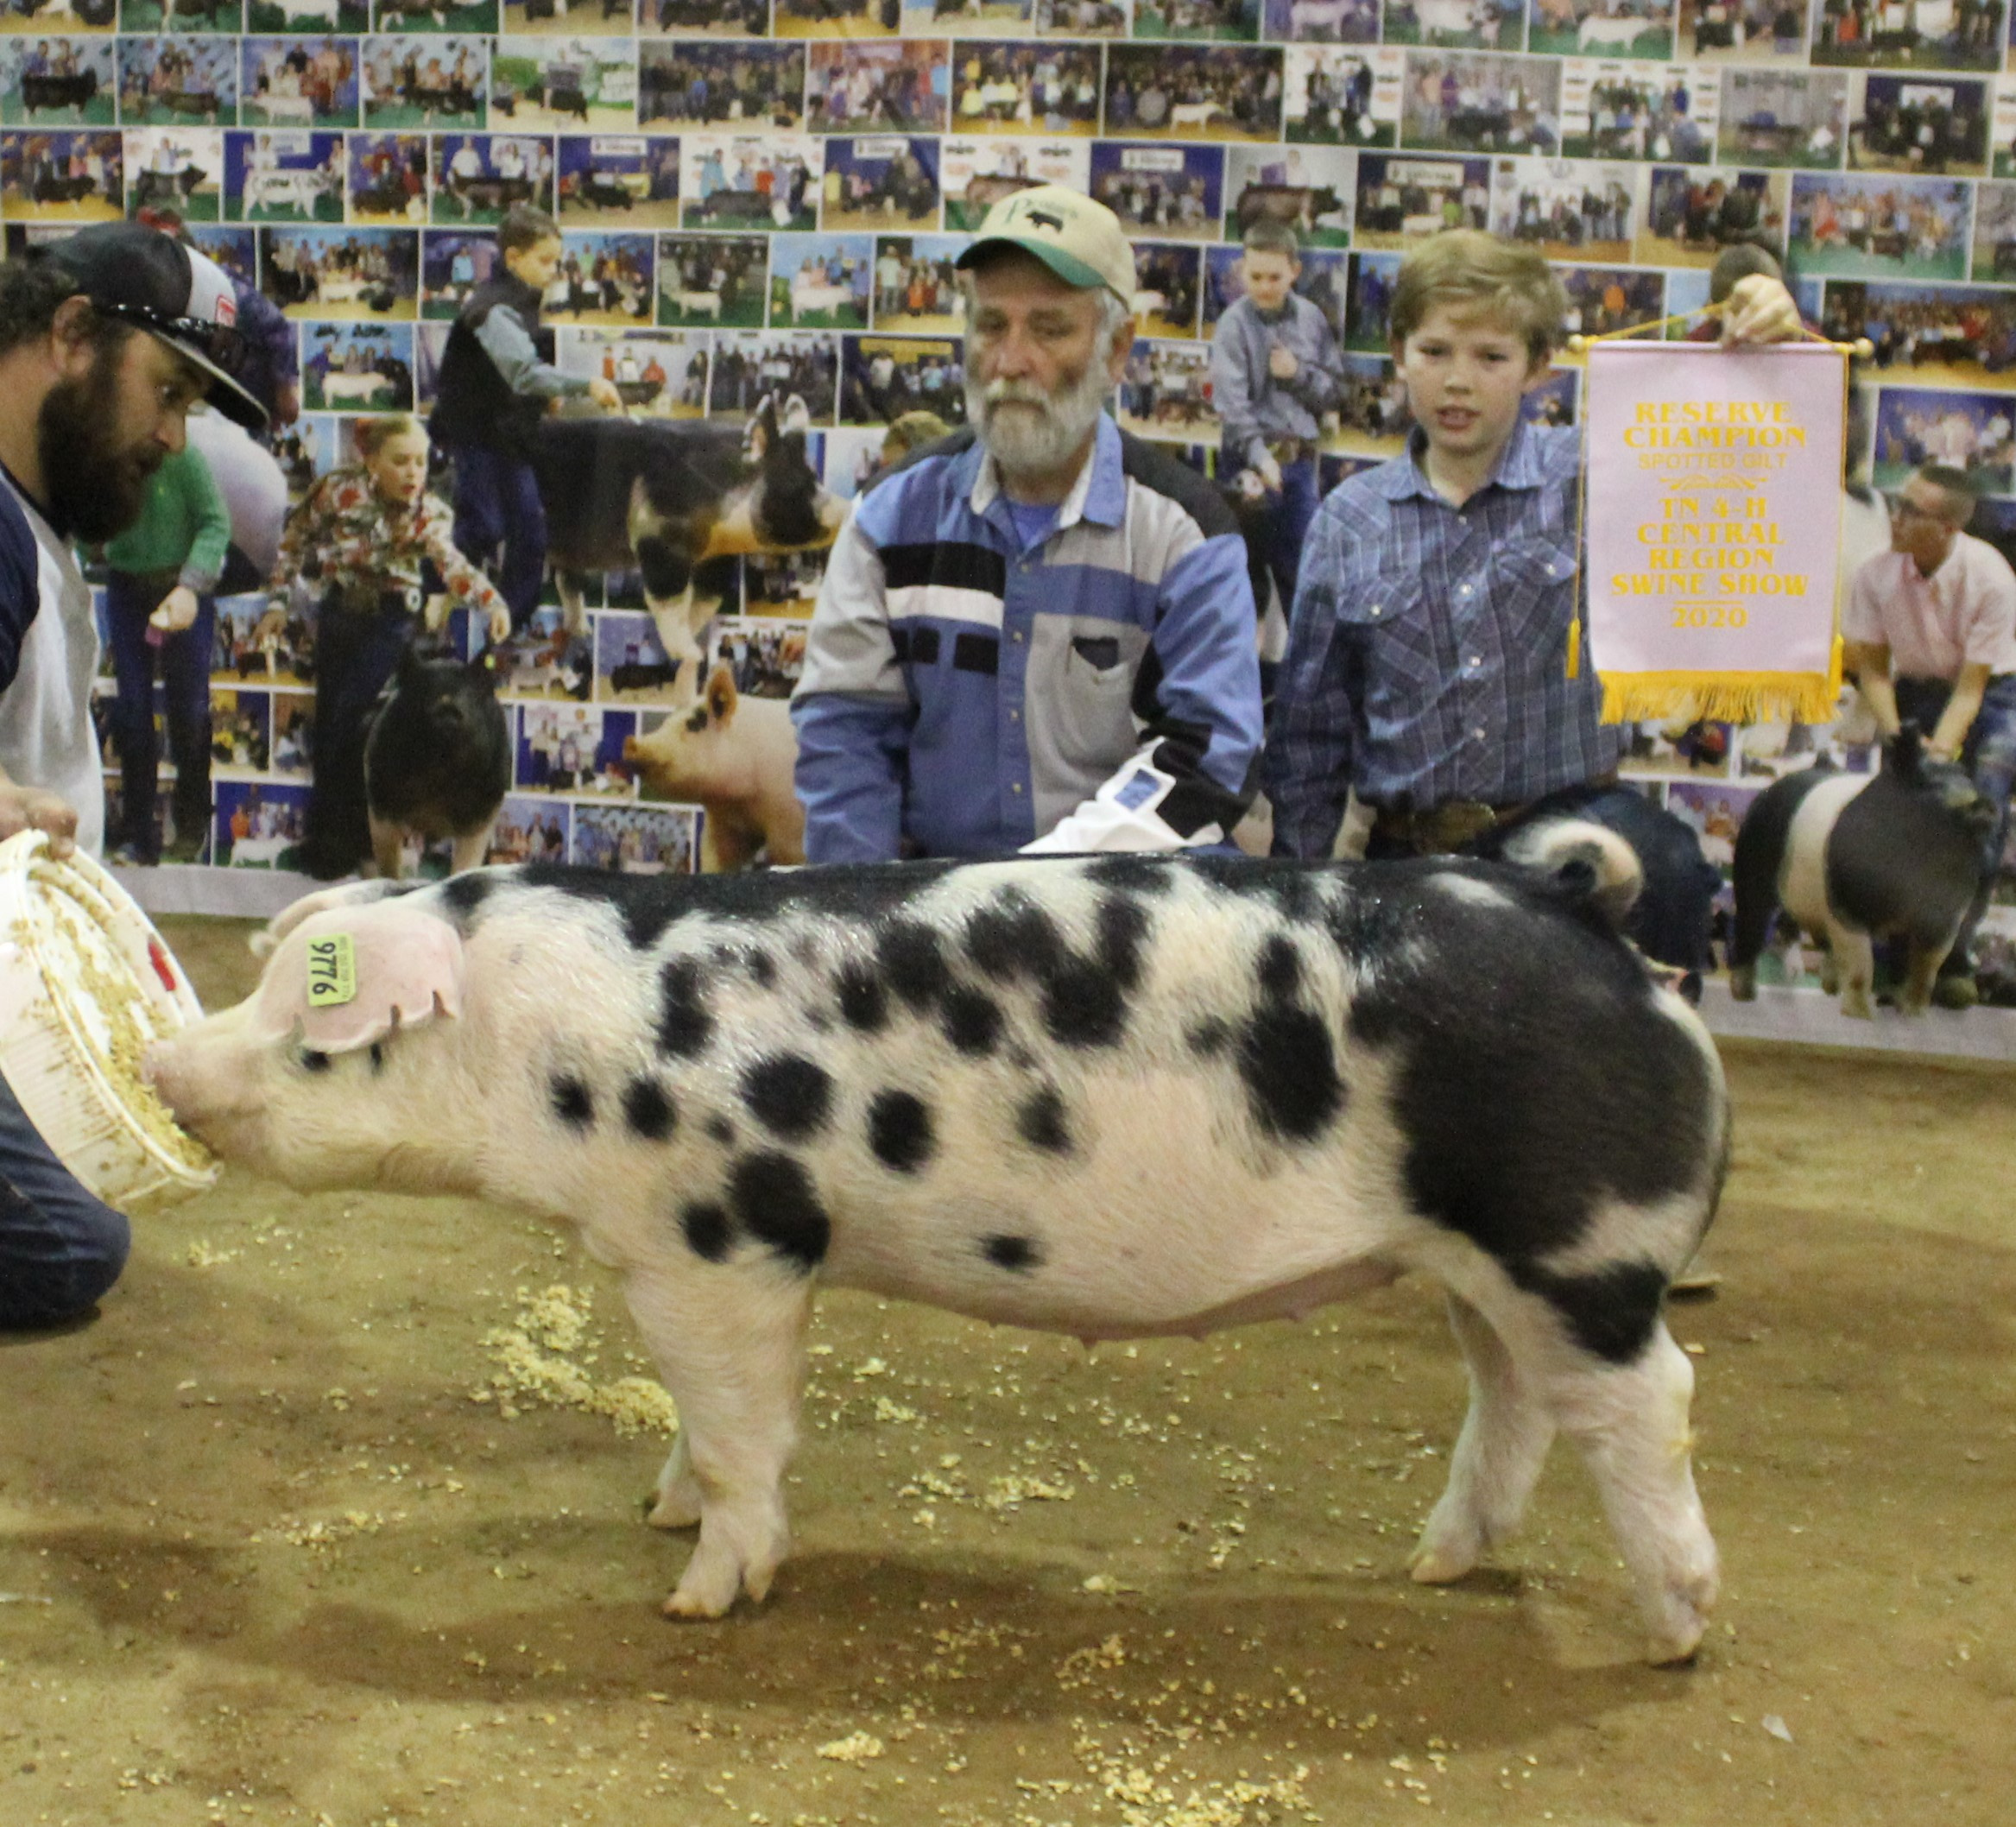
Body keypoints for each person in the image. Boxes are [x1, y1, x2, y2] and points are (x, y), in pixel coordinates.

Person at [1266, 228, 1802, 980]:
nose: (1458, 381)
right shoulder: (1346, 521)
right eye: (1435, 351)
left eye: (1491, 357)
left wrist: (1769, 326)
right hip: (1407, 853)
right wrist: (1297, 885)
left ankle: (1655, 1082)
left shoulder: (1593, 473)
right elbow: (1308, 735)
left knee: (1673, 870)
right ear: (1397, 352)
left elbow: (1729, 438)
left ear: (1538, 368)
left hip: (1568, 824)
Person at [792, 186, 1262, 861]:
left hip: (1130, 909)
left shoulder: (1184, 536)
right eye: (990, 326)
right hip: (934, 916)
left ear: (1117, 349)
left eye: (1048, 329)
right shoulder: (889, 519)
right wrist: (867, 920)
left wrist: (1035, 891)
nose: (1010, 361)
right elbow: (844, 736)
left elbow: (1209, 757)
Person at [0, 221, 264, 1331]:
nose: (170, 435)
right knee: (69, 1247)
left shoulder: (35, 524)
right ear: (72, 334)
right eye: (165, 392)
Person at [262, 414, 511, 881]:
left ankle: (367, 848)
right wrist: (279, 602)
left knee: (358, 725)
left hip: (393, 626)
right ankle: (328, 847)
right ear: (371, 460)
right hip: (340, 618)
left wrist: (490, 601)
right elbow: (292, 541)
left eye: (420, 462)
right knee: (332, 732)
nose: (413, 473)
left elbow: (451, 564)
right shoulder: (336, 492)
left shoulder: (431, 513)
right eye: (400, 461)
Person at [1842, 465, 2016, 1008]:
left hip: (1991, 698)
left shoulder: (1990, 577)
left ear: (1947, 528)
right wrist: (1899, 739)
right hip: (1915, 691)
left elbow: (1971, 691)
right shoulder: (1874, 575)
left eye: (1913, 510)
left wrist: (1938, 754)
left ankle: (1953, 960)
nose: (1896, 516)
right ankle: (1899, 967)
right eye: (1899, 503)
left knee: (1977, 820)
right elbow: (1871, 670)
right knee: (1902, 826)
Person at [428, 205, 621, 633]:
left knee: (531, 530)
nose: (555, 271)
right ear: (513, 258)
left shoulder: (520, 301)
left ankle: (511, 623)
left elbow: (516, 372)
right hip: (475, 435)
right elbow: (523, 371)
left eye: (557, 261)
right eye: (545, 261)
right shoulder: (491, 309)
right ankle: (433, 594)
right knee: (484, 525)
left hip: (509, 434)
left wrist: (542, 402)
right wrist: (584, 386)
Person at [100, 437, 231, 865]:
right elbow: (86, 522)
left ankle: (192, 825)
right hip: (127, 588)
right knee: (133, 712)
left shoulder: (185, 457)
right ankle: (142, 835)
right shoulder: (107, 455)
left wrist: (190, 585)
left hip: (183, 589)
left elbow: (215, 523)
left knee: (190, 715)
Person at [1209, 218, 1344, 614]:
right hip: (1246, 467)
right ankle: (1241, 674)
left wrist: (1297, 374)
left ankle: (1305, 675)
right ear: (1243, 271)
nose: (1264, 287)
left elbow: (1335, 392)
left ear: (1295, 272)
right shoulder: (1232, 326)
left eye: (1274, 277)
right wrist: (1261, 458)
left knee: (1304, 584)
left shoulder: (1313, 319)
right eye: (1255, 276)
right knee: (1239, 585)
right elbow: (1232, 407)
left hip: (1298, 469)